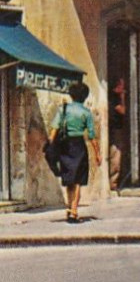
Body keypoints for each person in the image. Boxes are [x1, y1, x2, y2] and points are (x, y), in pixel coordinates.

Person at [50, 81, 100, 223]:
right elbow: (91, 136)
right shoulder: (86, 113)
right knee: (77, 179)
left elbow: (54, 129)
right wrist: (98, 154)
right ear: (85, 96)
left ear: (71, 95)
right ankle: (74, 211)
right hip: (79, 145)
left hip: (65, 145)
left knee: (68, 178)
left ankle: (68, 207)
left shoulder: (63, 109)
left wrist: (51, 146)